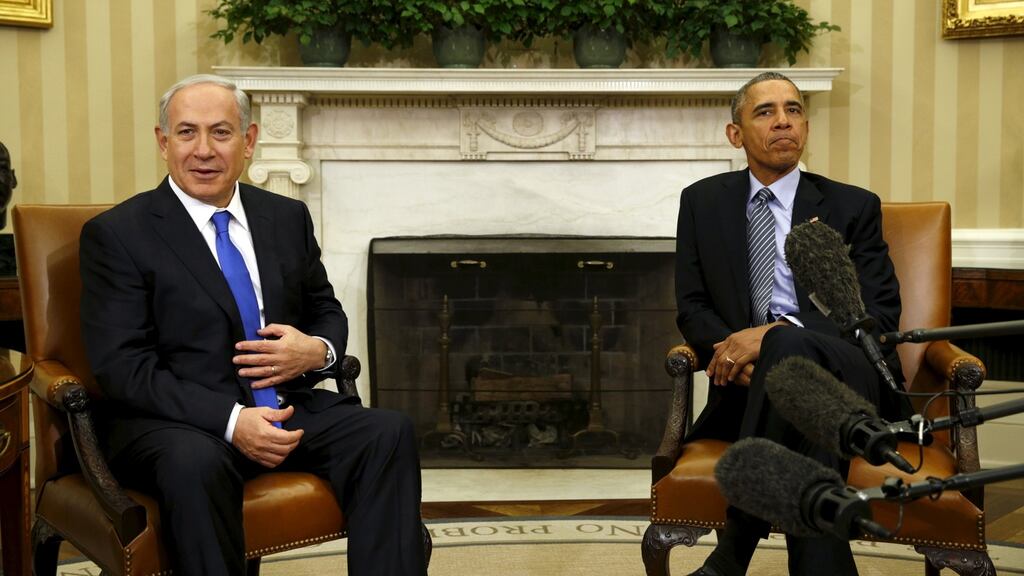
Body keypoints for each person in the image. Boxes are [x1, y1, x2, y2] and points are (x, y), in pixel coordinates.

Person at [79, 74, 426, 576]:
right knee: (195, 462)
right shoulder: (118, 235)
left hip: (283, 406)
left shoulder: (285, 217)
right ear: (162, 142)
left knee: (387, 431)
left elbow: (324, 306)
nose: (203, 150)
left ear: (249, 141)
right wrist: (231, 420)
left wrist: (319, 351)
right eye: (186, 132)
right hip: (174, 421)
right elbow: (124, 367)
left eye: (221, 133)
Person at [675, 71, 909, 576]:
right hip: (751, 387)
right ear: (735, 133)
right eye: (765, 112)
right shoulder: (702, 203)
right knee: (804, 401)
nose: (784, 122)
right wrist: (732, 353)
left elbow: (879, 315)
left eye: (794, 110)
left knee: (787, 348)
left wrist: (772, 337)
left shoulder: (852, 206)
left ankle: (734, 548)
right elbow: (692, 305)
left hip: (853, 375)